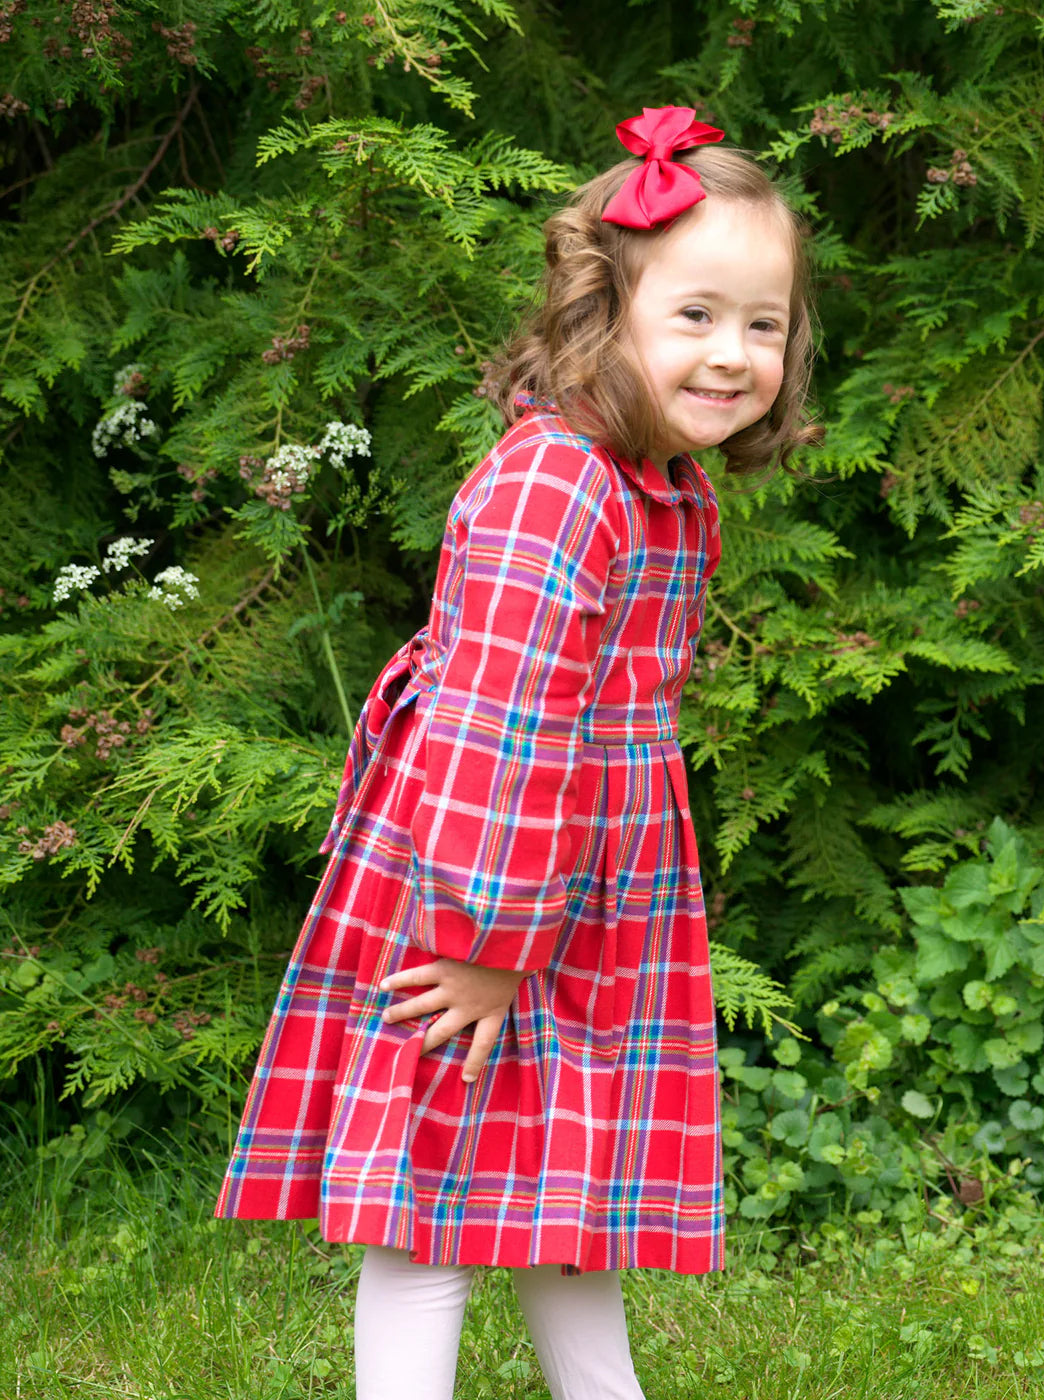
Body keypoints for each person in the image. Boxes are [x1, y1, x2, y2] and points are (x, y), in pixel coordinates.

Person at [215, 105, 817, 1400]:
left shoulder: (665, 489)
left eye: (762, 324)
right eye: (696, 316)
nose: (733, 355)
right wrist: (484, 943)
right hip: (475, 885)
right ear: (609, 319)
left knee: (565, 1166)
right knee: (428, 1187)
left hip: (588, 888)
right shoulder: (560, 486)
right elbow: (501, 732)